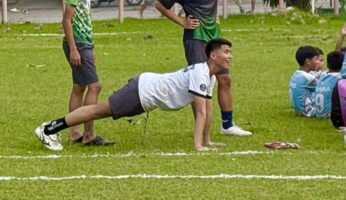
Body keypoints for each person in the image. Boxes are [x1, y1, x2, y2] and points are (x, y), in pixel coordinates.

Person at [36, 38, 234, 152]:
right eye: (226, 52)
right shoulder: (201, 73)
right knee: (97, 111)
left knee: (98, 111)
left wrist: (207, 141)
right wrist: (198, 145)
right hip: (141, 90)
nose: (230, 56)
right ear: (213, 56)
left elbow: (207, 109)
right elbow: (200, 112)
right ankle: (49, 129)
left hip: (145, 96)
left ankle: (51, 129)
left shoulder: (209, 77)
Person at [155, 0, 251, 136]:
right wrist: (182, 21)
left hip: (214, 36)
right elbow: (160, 4)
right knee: (200, 83)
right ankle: (202, 131)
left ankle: (228, 125)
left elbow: (211, 2)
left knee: (225, 79)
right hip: (195, 37)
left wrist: (212, 18)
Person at [59, 0, 113, 147]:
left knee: (79, 87)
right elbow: (67, 20)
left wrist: (91, 48)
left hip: (84, 44)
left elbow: (85, 21)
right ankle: (89, 134)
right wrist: (74, 49)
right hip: (78, 44)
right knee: (95, 86)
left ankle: (74, 133)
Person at [289, 45, 325, 117]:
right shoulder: (308, 78)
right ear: (308, 61)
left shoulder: (295, 75)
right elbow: (325, 88)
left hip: (299, 111)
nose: (318, 62)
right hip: (309, 112)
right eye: (316, 59)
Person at [313, 50, 344, 119]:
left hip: (319, 113)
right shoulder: (340, 78)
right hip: (329, 115)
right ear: (343, 65)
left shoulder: (322, 75)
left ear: (327, 65)